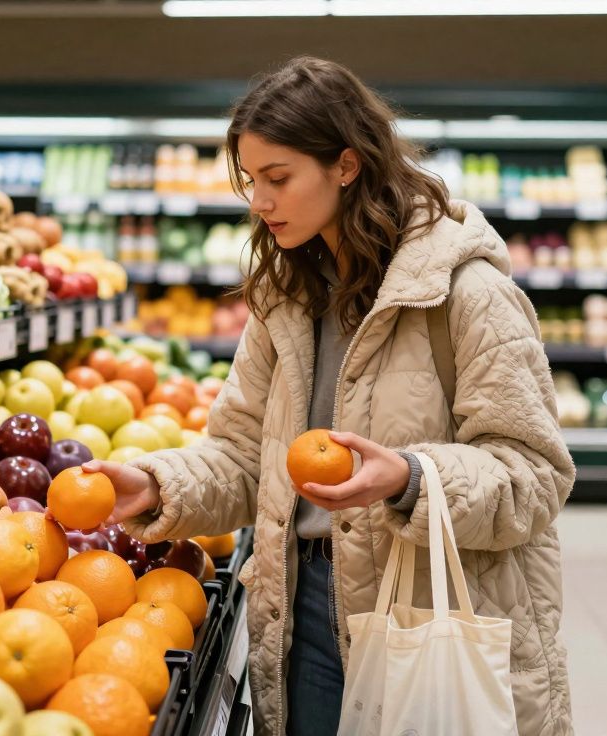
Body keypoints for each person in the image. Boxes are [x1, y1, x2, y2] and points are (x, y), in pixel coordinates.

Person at [82, 56, 575, 736]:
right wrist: (153, 483)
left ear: (347, 165)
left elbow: (535, 475)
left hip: (425, 608)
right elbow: (244, 456)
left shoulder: (465, 292)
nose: (259, 202)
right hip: (300, 606)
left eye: (278, 178)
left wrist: (409, 477)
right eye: (251, 181)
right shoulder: (287, 299)